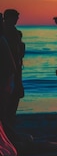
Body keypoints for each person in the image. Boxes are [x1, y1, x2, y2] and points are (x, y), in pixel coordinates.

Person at [2, 9, 25, 138]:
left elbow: (19, 56)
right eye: (15, 17)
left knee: (12, 101)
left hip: (15, 70)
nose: (17, 19)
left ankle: (8, 130)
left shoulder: (15, 33)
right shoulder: (8, 33)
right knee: (9, 102)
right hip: (10, 72)